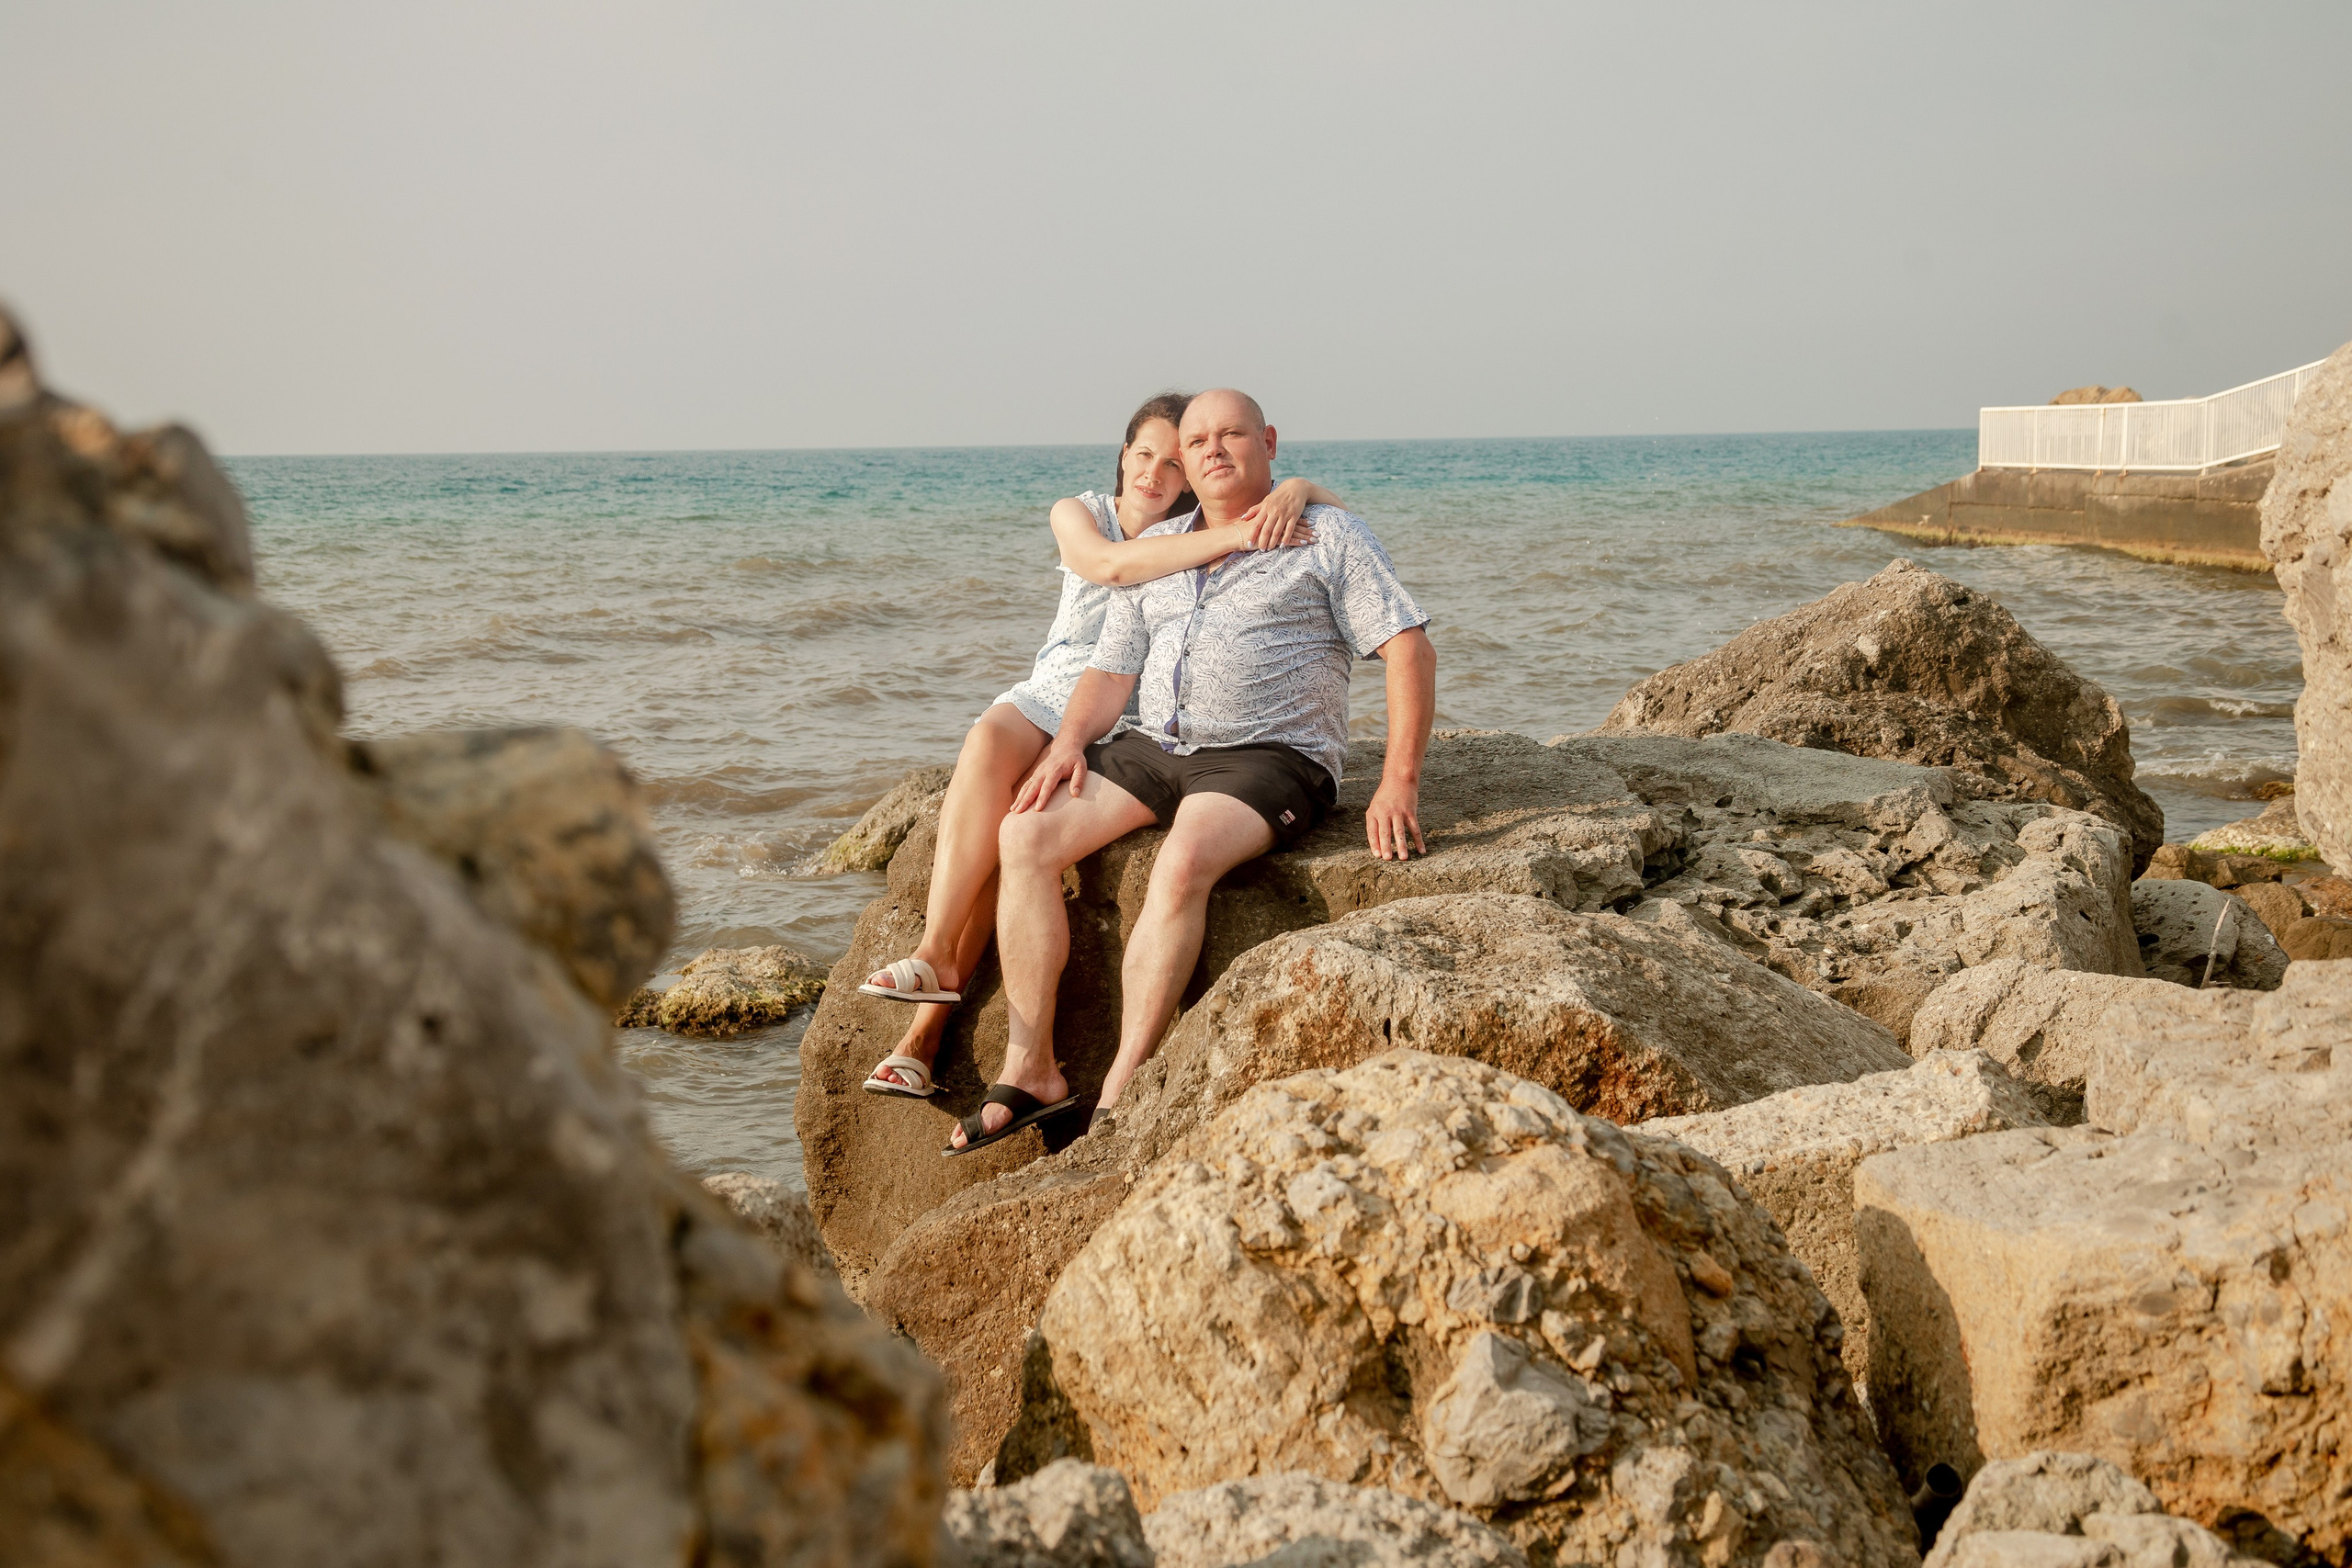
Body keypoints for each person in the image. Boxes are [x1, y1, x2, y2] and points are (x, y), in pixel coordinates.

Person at [944, 388, 1436, 1154]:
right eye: (1196, 440)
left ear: (1268, 441)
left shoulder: (1328, 534)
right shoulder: (1166, 546)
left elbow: (1406, 646)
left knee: (1179, 865)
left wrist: (1398, 779)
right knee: (1025, 835)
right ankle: (1031, 1067)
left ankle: (1120, 1089)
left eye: (1230, 433)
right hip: (1156, 744)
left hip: (1270, 754)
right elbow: (1111, 671)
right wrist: (1071, 741)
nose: (1211, 449)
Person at [855, 391, 1348, 1100]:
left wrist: (1296, 489)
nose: (1155, 472)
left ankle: (925, 1035)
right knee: (993, 758)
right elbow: (1112, 567)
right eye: (1144, 454)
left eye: (1174, 463)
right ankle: (936, 958)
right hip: (1066, 685)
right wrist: (1242, 532)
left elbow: (1320, 508)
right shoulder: (1085, 511)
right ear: (1123, 455)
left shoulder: (1196, 521)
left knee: (1015, 832)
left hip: (1140, 704)